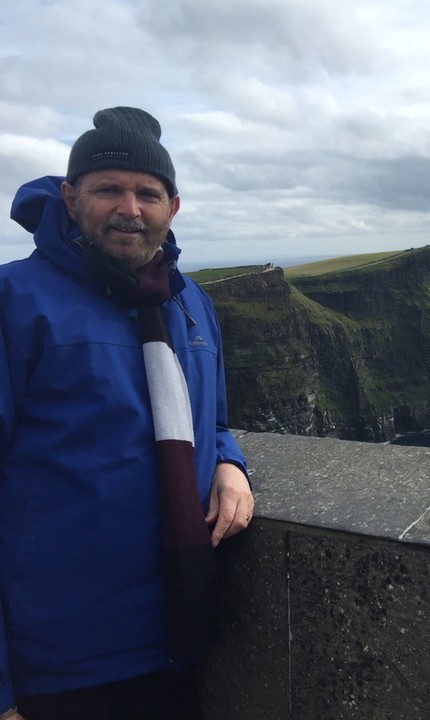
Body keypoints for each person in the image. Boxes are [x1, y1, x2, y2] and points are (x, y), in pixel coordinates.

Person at [0, 107, 255, 719]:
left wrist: (229, 463)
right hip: (57, 665)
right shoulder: (16, 301)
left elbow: (212, 419)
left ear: (174, 205)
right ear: (69, 196)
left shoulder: (191, 301)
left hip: (176, 642)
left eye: (147, 192)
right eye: (107, 188)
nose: (129, 208)